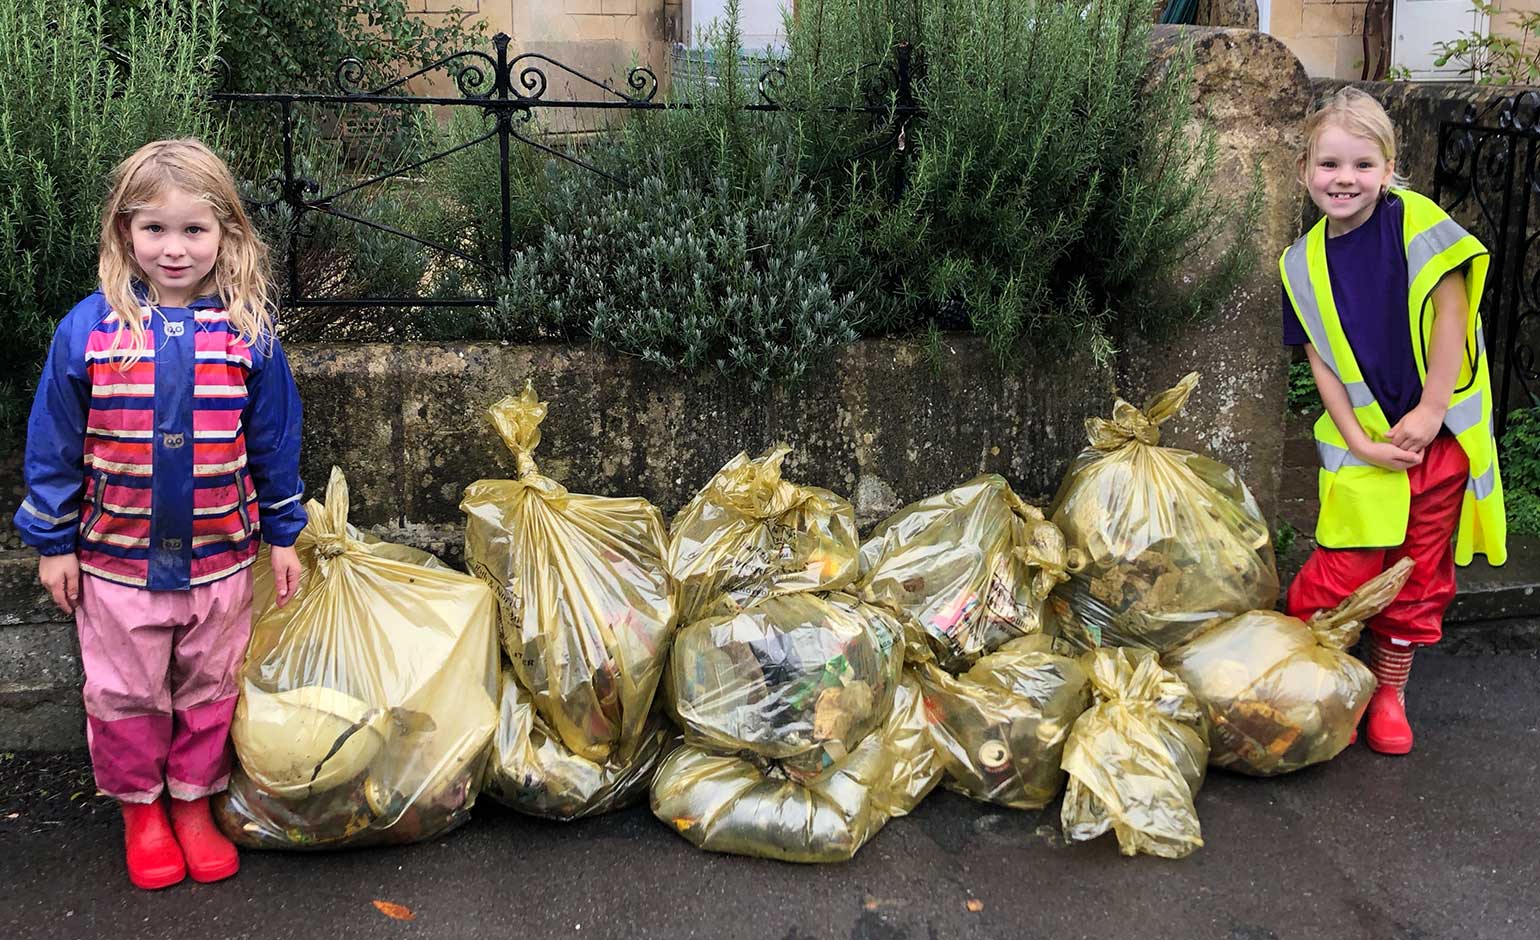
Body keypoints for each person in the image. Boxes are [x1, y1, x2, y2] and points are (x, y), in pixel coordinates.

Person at [14, 138, 307, 889]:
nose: (174, 249)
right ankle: (140, 808)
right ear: (124, 234)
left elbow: (274, 442)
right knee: (125, 693)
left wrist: (284, 535)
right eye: (155, 230)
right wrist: (53, 542)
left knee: (210, 690)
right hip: (115, 562)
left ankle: (192, 803)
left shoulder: (250, 333)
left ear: (227, 234)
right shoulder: (89, 328)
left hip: (222, 557)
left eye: (194, 230)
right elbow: (54, 444)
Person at [1279, 88, 1506, 755]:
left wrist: (1433, 410)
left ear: (1388, 167)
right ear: (1305, 172)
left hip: (1434, 444)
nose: (1343, 179)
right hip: (1363, 447)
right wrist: (1354, 438)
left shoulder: (1418, 223)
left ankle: (1388, 693)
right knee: (1339, 570)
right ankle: (1317, 682)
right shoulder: (1300, 263)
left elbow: (1454, 312)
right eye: (1328, 165)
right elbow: (1319, 358)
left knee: (1416, 574)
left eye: (1361, 164)